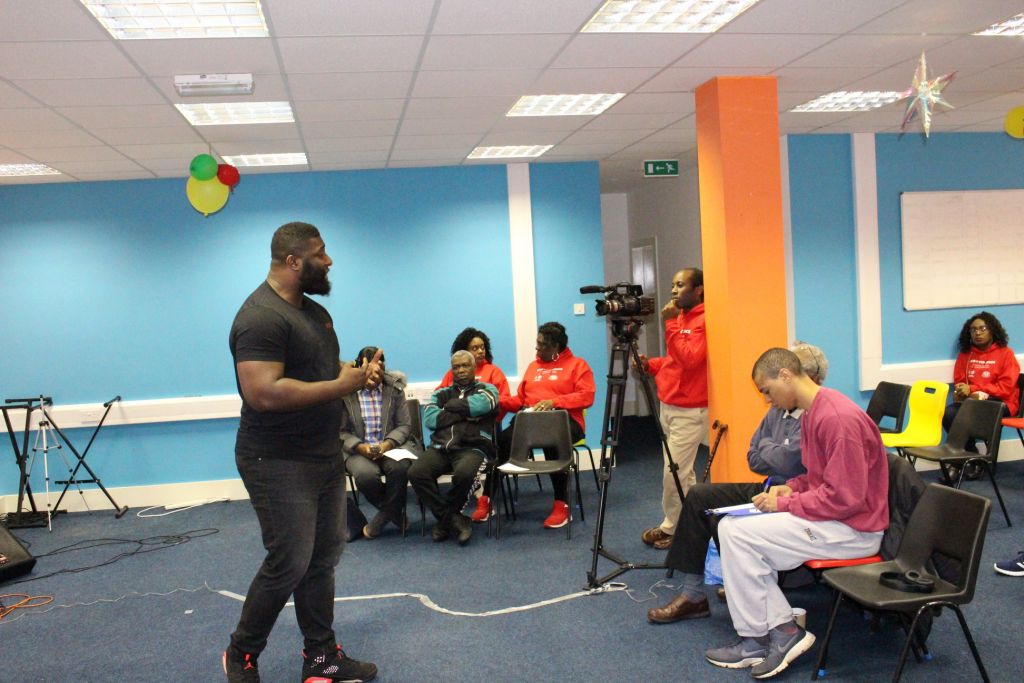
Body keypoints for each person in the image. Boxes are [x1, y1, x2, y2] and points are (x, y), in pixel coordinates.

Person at [225, 222, 378, 683]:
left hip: (322, 454)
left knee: (323, 558)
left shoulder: (315, 314)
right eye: (320, 253)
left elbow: (318, 367)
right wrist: (341, 385)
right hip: (275, 459)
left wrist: (354, 373)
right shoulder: (259, 318)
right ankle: (241, 653)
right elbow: (263, 393)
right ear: (293, 261)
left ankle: (321, 656)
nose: (328, 261)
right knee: (289, 560)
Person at [704, 348, 888, 679]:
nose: (767, 400)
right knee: (731, 528)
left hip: (853, 530)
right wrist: (792, 487)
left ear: (786, 375)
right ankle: (761, 636)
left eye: (767, 390)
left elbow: (845, 498)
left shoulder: (837, 419)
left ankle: (780, 633)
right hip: (833, 519)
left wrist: (786, 504)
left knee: (740, 535)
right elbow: (819, 478)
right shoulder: (816, 411)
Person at [646, 342, 829, 624]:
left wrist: (772, 451)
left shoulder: (817, 414)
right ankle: (694, 596)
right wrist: (777, 451)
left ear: (810, 377)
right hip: (770, 487)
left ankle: (742, 583)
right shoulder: (778, 409)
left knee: (727, 521)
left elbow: (790, 463)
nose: (768, 398)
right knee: (699, 496)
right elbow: (753, 456)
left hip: (792, 497)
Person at [496, 321, 596, 529]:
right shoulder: (533, 367)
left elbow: (587, 396)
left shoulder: (578, 365)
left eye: (542, 345)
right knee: (503, 440)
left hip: (566, 422)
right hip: (531, 422)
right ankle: (487, 497)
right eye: (537, 343)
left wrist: (554, 402)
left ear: (556, 347)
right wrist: (498, 400)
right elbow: (521, 400)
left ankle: (562, 504)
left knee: (552, 440)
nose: (537, 348)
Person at [637, 267, 708, 550]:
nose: (673, 290)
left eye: (680, 285)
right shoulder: (681, 318)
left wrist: (669, 324)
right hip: (669, 404)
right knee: (684, 474)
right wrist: (651, 365)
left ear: (698, 290)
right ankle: (689, 525)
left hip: (689, 411)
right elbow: (675, 361)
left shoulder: (704, 320)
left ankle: (672, 527)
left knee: (673, 472)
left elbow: (691, 360)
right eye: (673, 285)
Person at [408, 350, 499, 545]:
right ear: (451, 370)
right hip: (440, 448)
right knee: (416, 472)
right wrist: (467, 413)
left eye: (465, 365)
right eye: (456, 367)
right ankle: (453, 519)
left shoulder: (487, 389)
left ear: (474, 367)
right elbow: (430, 420)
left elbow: (483, 405)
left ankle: (444, 522)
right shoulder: (441, 394)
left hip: (473, 447)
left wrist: (450, 408)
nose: (461, 370)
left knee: (464, 474)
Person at [436, 327, 517, 523]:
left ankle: (485, 498)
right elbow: (440, 398)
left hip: (487, 429)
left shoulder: (494, 372)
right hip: (456, 430)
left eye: (482, 347)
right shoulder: (452, 374)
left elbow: (504, 401)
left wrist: (482, 412)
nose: (480, 351)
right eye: (475, 348)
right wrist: (467, 409)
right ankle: (461, 499)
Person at [340, 346, 422, 539]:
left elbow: (404, 425)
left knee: (399, 468)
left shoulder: (394, 389)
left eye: (380, 369)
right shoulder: (345, 393)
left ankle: (382, 519)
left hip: (392, 446)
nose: (375, 375)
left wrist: (387, 444)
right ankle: (396, 514)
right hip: (358, 449)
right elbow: (341, 431)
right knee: (365, 475)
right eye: (370, 369)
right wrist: (360, 447)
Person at [942, 311, 1019, 462]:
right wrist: (961, 391)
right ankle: (969, 455)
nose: (977, 333)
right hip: (972, 402)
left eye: (983, 328)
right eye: (973, 330)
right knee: (949, 413)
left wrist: (973, 388)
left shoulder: (1006, 354)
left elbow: (1005, 388)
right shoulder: (966, 354)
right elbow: (960, 381)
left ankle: (970, 461)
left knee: (968, 413)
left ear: (992, 331)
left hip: (1002, 403)